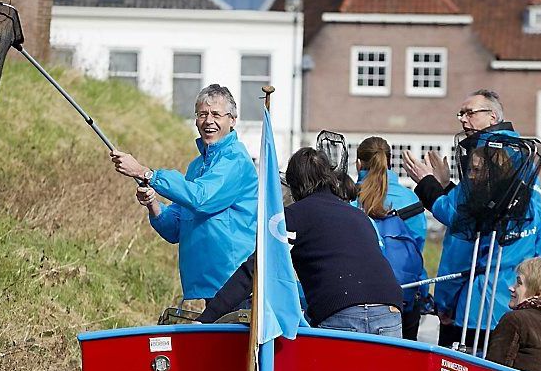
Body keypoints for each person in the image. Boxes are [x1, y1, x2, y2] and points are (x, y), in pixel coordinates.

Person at [402, 89, 541, 348]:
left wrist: (428, 185)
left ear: (492, 116)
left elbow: (460, 240)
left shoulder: (484, 163)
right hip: (519, 314)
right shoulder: (526, 176)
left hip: (476, 312)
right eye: (460, 114)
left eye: (470, 112)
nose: (462, 119)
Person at [198, 148, 403, 337]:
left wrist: (207, 318)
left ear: (294, 184)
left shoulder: (292, 217)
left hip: (342, 311)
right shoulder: (358, 215)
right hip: (390, 309)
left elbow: (255, 268)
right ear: (330, 177)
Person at [111, 84, 257, 302]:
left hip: (234, 286)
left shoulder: (235, 160)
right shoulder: (196, 166)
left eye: (216, 114)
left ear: (232, 120)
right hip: (202, 290)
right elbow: (175, 228)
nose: (208, 121)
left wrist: (146, 173)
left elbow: (201, 198)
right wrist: (154, 205)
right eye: (202, 114)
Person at [355, 136, 428, 339]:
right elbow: (417, 249)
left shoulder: (349, 198)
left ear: (358, 163)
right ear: (389, 160)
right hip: (403, 295)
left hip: (358, 297)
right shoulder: (411, 199)